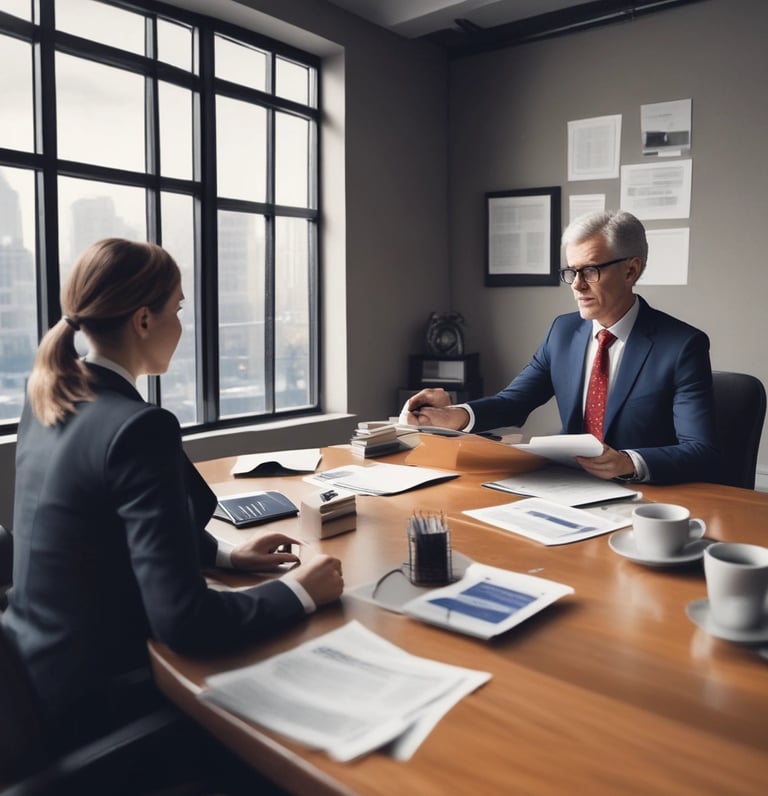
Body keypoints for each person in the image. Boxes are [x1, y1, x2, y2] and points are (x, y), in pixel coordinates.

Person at [3, 238, 344, 751]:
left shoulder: (50, 399)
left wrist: (228, 553)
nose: (182, 327)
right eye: (178, 309)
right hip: (98, 707)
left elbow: (104, 527)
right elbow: (186, 623)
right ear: (144, 320)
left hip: (36, 680)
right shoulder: (139, 428)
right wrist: (301, 592)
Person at [404, 210, 719, 485]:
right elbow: (514, 402)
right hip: (569, 486)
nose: (577, 285)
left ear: (630, 270)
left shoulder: (682, 346)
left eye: (591, 271)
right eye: (572, 271)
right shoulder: (563, 331)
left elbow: (699, 449)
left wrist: (627, 462)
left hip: (644, 497)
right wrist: (456, 416)